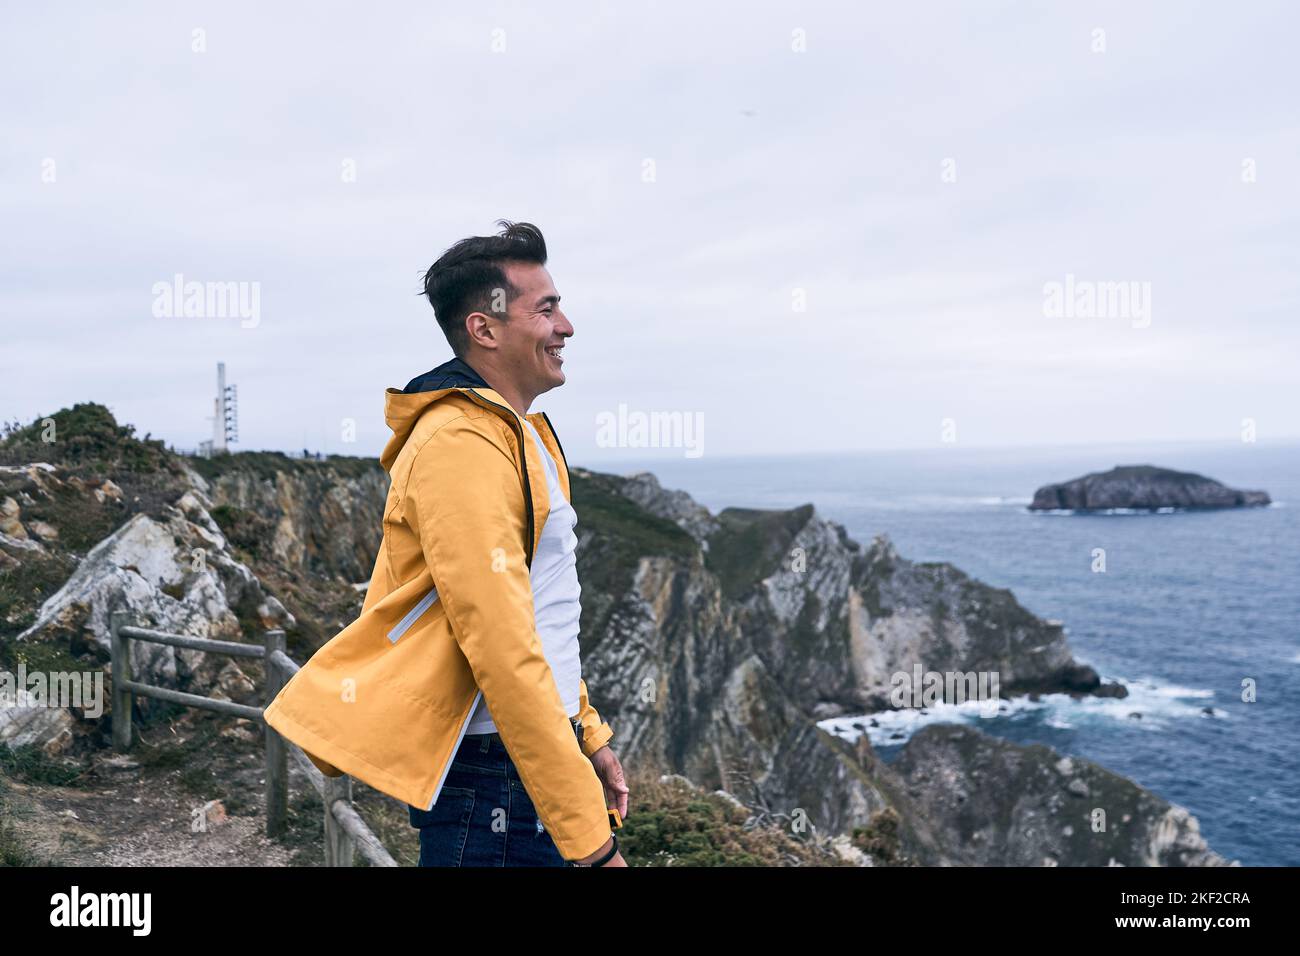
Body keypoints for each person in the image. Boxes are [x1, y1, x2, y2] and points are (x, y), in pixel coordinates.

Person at [263, 220, 628, 867]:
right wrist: (592, 846)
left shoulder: (526, 433)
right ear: (484, 329)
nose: (566, 326)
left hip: (529, 761)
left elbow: (544, 615)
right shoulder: (459, 442)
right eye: (545, 309)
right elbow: (501, 644)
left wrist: (588, 734)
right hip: (494, 779)